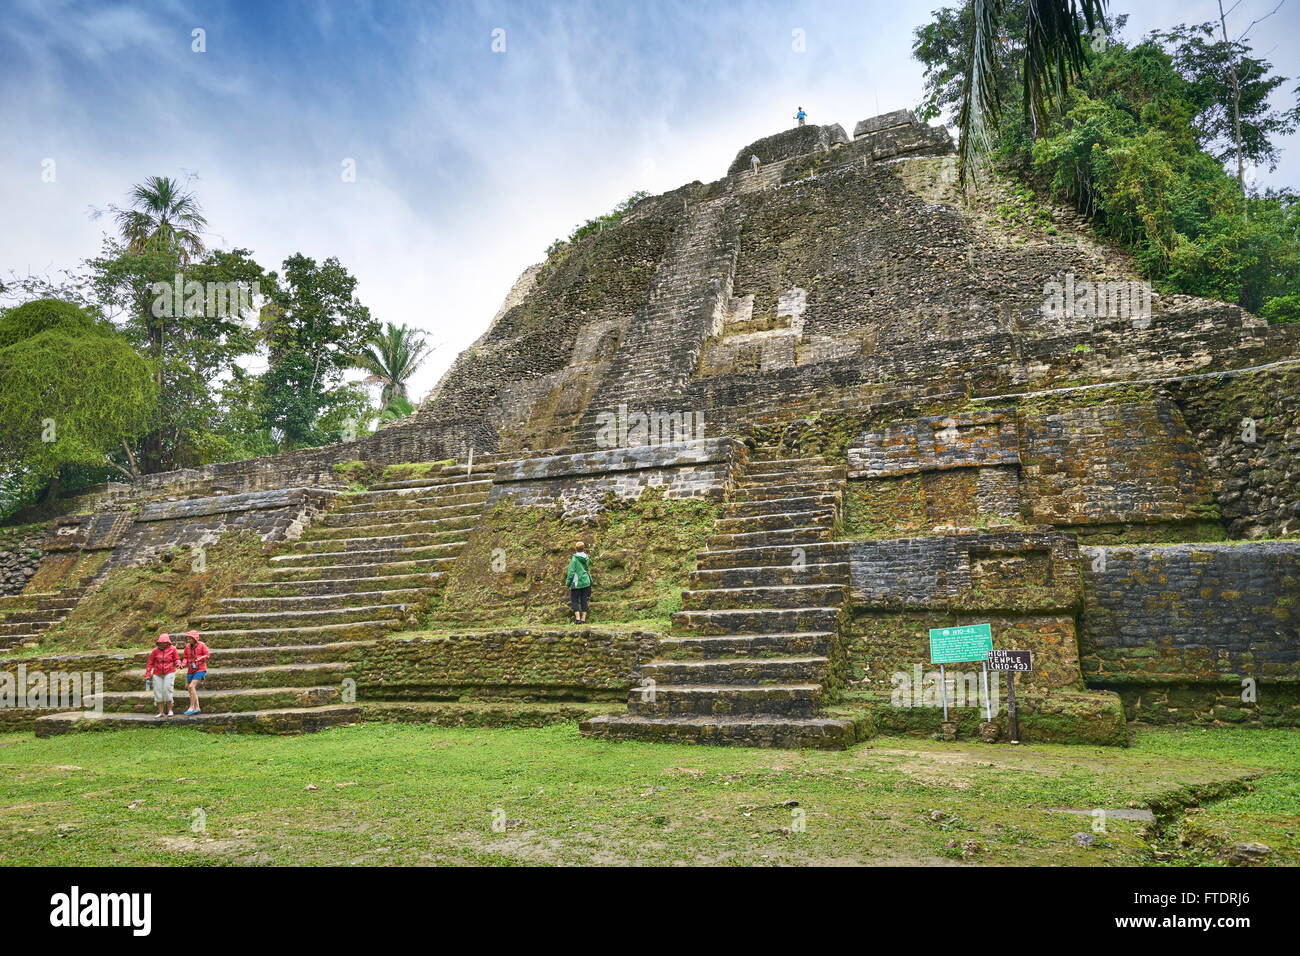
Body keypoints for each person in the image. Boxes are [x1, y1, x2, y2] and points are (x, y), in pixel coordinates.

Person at [144, 633, 180, 718]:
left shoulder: (173, 649)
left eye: (165, 642)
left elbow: (176, 659)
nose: (163, 644)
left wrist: (178, 663)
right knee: (158, 692)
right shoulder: (155, 651)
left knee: (167, 690)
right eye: (161, 642)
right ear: (159, 642)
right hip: (157, 673)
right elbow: (150, 662)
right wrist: (148, 673)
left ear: (168, 642)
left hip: (169, 671)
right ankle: (161, 712)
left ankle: (170, 710)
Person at [179, 629, 210, 715]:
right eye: (187, 639)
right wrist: (183, 664)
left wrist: (201, 658)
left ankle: (191, 707)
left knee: (191, 686)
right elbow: (185, 658)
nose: (188, 640)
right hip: (191, 669)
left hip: (200, 669)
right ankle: (197, 708)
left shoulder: (202, 645)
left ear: (195, 638)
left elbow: (207, 655)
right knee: (190, 688)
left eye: (190, 638)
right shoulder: (187, 647)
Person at [565, 542, 592, 624]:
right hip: (586, 581)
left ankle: (578, 619)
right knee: (584, 600)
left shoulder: (574, 559)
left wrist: (568, 583)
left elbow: (571, 572)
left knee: (574, 600)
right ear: (584, 548)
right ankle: (583, 619)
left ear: (575, 548)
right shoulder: (586, 557)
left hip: (576, 582)